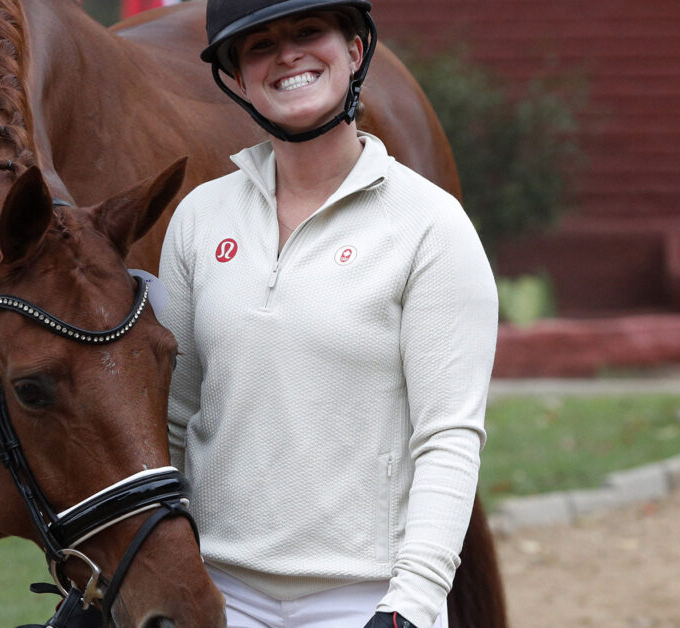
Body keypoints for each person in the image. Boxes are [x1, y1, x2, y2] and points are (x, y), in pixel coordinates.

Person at [156, 1, 499, 627]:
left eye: (308, 32)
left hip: (366, 598)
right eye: (259, 45)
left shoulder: (431, 225)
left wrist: (414, 604)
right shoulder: (198, 220)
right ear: (235, 78)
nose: (287, 54)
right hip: (218, 591)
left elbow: (448, 434)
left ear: (356, 51)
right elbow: (174, 422)